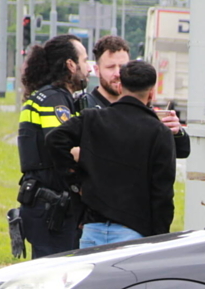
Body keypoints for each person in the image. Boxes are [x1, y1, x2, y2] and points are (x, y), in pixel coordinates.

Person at [46, 60, 176, 248]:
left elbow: (54, 140)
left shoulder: (92, 119)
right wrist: (159, 238)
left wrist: (75, 179)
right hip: (133, 232)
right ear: (151, 92)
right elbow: (162, 194)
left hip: (91, 229)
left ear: (120, 86)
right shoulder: (159, 133)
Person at [16, 34, 91, 258]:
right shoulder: (54, 101)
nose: (89, 68)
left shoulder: (49, 96)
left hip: (47, 207)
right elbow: (60, 145)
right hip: (51, 209)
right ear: (71, 65)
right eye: (85, 61)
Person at [79, 34, 190, 159]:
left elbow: (182, 151)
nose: (117, 73)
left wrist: (176, 131)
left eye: (122, 67)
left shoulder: (143, 108)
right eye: (110, 67)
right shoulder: (84, 107)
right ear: (97, 70)